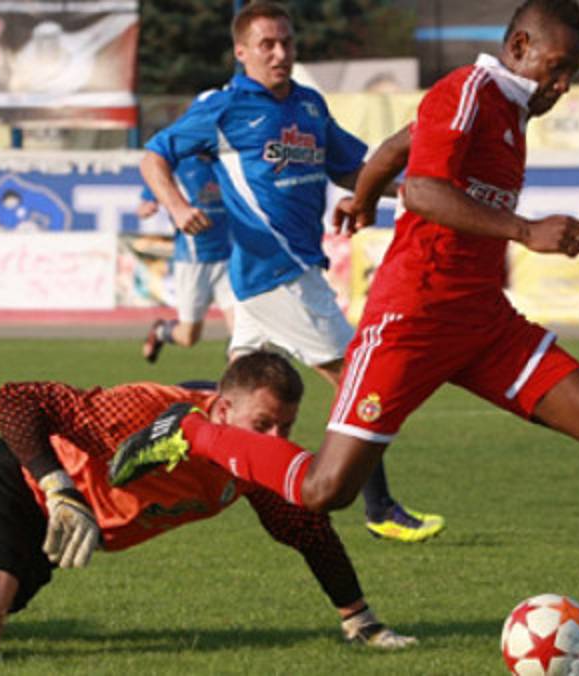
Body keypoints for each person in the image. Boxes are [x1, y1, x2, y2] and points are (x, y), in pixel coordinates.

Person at [113, 0, 579, 631]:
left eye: (573, 73)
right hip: (411, 319)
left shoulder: (506, 106)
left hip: (483, 321)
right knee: (327, 490)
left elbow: (398, 148)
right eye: (557, 68)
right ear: (518, 48)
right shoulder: (468, 90)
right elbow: (423, 189)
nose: (563, 85)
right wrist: (526, 230)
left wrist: (363, 194)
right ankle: (194, 432)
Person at [0, 352, 415, 661]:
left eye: (285, 427)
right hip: (19, 486)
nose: (275, 439)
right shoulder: (145, 412)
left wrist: (359, 619)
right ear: (220, 409)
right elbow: (12, 400)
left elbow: (306, 531)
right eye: (263, 424)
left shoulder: (249, 463)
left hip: (63, 525)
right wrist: (58, 486)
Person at [140, 0, 443, 543]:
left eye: (286, 42)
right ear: (241, 52)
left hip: (270, 276)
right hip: (280, 274)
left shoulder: (308, 104)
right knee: (360, 384)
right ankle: (380, 509)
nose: (280, 53)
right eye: (267, 45)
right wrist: (178, 207)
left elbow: (351, 168)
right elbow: (154, 156)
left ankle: (153, 432)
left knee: (235, 391)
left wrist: (410, 193)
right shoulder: (227, 108)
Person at [137, 153, 236, 363]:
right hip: (192, 262)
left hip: (228, 260)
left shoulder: (227, 163)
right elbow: (147, 199)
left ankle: (238, 375)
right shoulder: (176, 167)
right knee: (188, 337)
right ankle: (161, 331)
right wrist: (147, 206)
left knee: (242, 332)